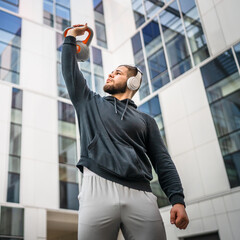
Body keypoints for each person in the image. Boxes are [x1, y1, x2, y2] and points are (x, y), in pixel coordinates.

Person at [61, 23, 189, 240]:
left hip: (141, 194)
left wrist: (177, 199)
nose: (110, 75)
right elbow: (70, 72)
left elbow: (162, 161)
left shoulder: (146, 120)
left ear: (133, 81)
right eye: (111, 72)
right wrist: (71, 38)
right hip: (97, 188)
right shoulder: (89, 102)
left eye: (117, 73)